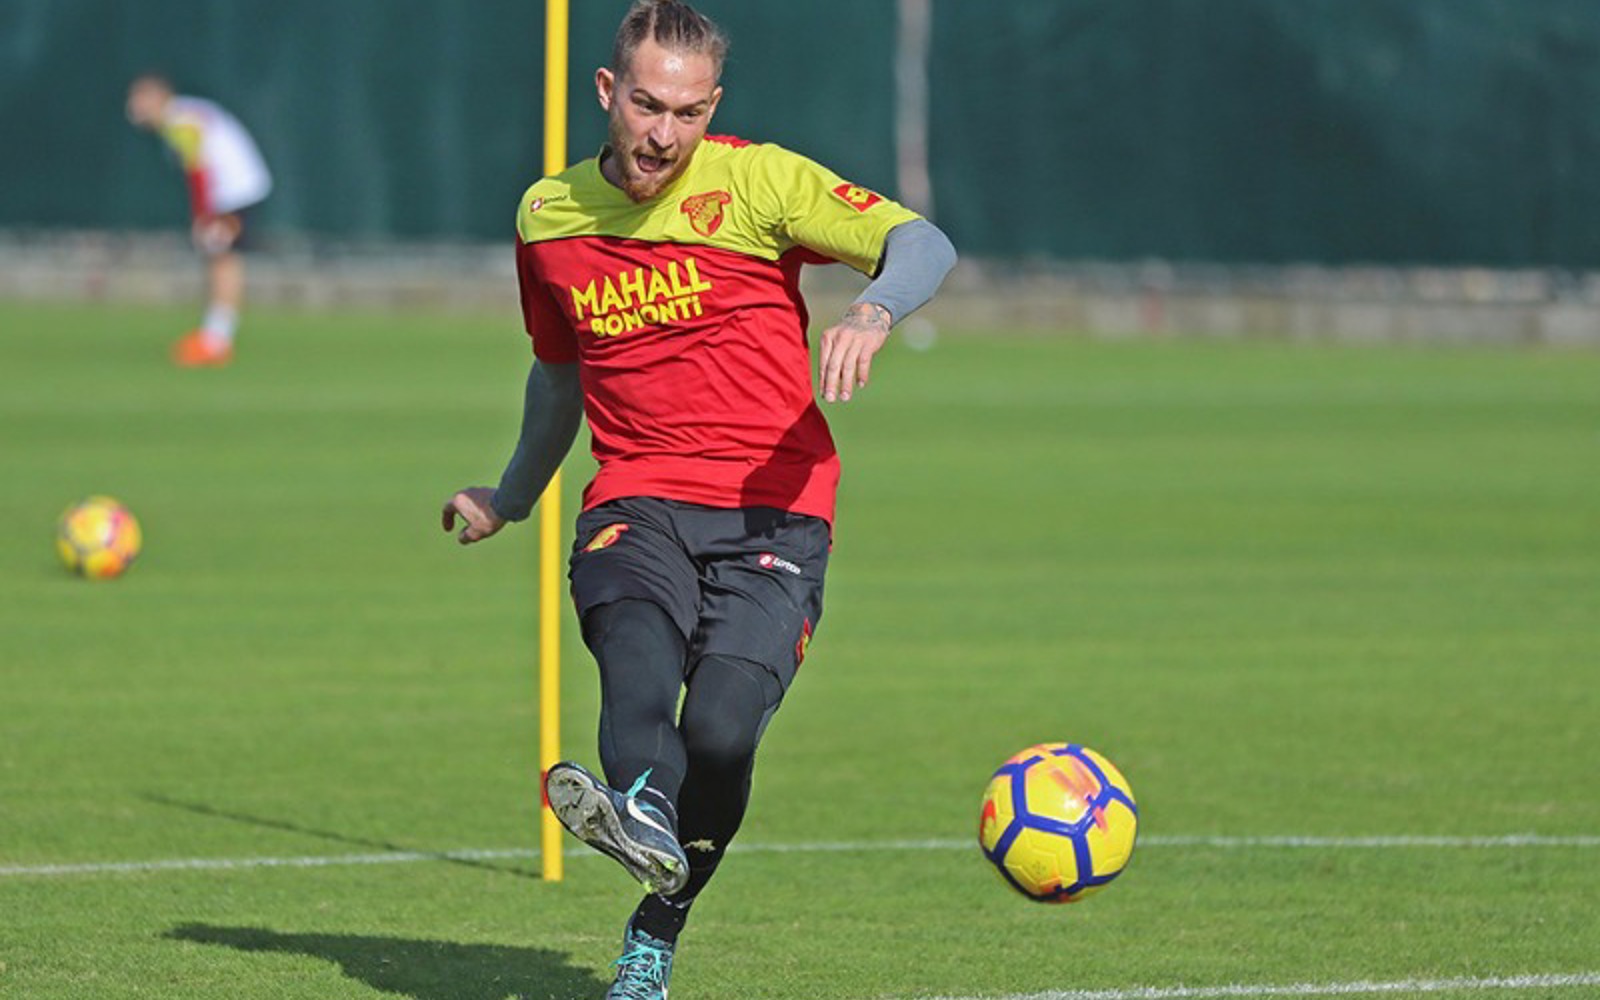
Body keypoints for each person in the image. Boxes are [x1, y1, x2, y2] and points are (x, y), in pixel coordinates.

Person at [441, 2, 955, 996]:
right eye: (645, 106)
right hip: (636, 496)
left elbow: (921, 241)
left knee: (721, 732)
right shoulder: (548, 218)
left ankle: (659, 915)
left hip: (777, 508)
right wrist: (510, 496)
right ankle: (638, 802)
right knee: (633, 646)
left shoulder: (758, 180)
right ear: (607, 91)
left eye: (686, 113)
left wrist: (874, 309)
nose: (662, 135)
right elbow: (559, 375)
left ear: (712, 107)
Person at [126, 74, 272, 367]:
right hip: (235, 192)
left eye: (141, 98)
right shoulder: (183, 114)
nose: (134, 106)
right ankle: (213, 336)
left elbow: (199, 171)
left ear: (160, 97)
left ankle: (216, 341)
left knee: (223, 260)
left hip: (237, 193)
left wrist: (203, 216)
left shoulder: (181, 121)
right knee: (220, 259)